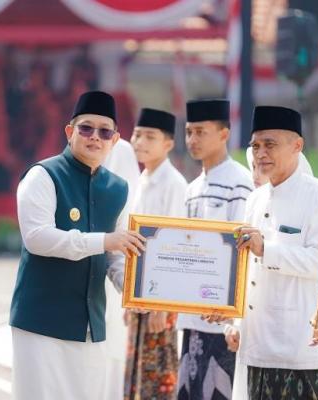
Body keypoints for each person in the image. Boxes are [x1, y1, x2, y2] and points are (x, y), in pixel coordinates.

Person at [10, 90, 146, 400]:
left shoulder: (118, 188)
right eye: (86, 128)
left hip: (89, 324)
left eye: (104, 131)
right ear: (70, 131)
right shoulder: (42, 176)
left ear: (115, 139)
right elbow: (38, 239)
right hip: (41, 322)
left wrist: (136, 290)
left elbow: (115, 255)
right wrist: (104, 241)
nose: (94, 137)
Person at [225, 105, 318, 400]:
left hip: (298, 346)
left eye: (270, 144)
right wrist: (234, 320)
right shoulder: (255, 198)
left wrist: (267, 249)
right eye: (255, 146)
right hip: (257, 345)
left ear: (297, 146)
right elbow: (246, 267)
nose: (260, 153)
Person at [177, 99, 253, 400]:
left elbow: (241, 254)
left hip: (221, 317)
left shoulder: (240, 184)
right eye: (188, 132)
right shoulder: (192, 188)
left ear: (224, 134)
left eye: (200, 132)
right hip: (193, 315)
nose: (192, 140)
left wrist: (233, 316)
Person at [124, 108, 187, 399]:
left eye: (150, 136)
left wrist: (163, 304)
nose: (140, 142)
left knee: (159, 373)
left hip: (161, 293)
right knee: (137, 371)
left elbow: (174, 245)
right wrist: (129, 297)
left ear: (168, 144)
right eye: (137, 135)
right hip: (139, 292)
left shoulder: (173, 184)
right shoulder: (141, 180)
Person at [102, 136, 141, 400]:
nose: (95, 137)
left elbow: (129, 217)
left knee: (113, 356)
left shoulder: (122, 151)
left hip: (117, 266)